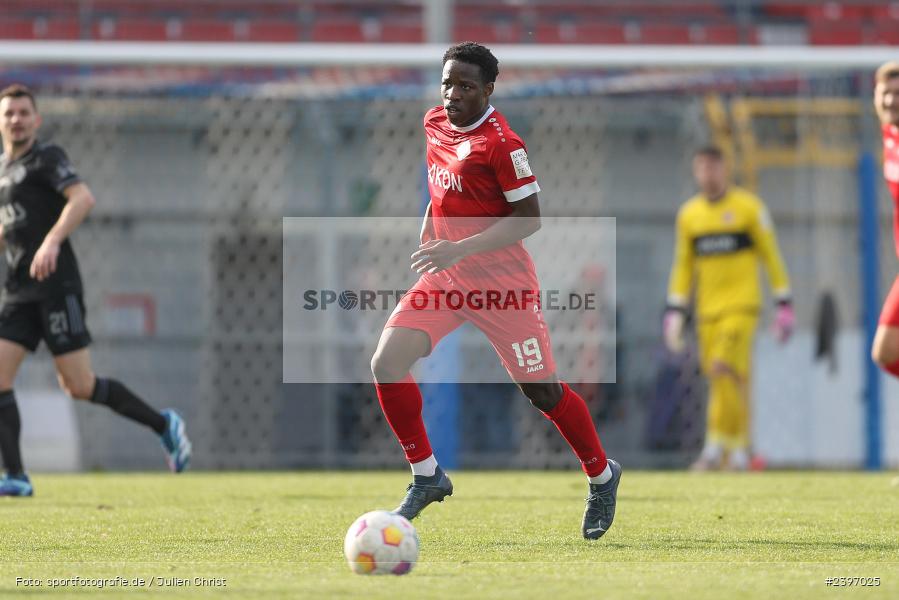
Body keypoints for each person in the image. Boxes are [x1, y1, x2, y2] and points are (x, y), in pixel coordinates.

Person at [370, 42, 620, 540]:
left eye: (465, 86)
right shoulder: (434, 123)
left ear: (488, 89)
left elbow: (530, 221)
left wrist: (458, 249)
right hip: (447, 277)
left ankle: (601, 475)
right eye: (448, 83)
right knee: (387, 362)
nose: (453, 93)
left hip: (502, 286)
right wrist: (430, 227)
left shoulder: (504, 145)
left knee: (542, 392)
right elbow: (441, 191)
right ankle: (426, 476)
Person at [0, 84, 191, 496]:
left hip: (55, 287)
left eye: (22, 112)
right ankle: (16, 475)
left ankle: (164, 424)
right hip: (18, 291)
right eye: (9, 113)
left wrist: (51, 242)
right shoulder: (2, 172)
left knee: (79, 386)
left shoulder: (46, 158)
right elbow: (10, 230)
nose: (15, 119)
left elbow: (82, 199)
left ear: (37, 119)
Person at [664, 146, 793, 471]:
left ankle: (720, 447)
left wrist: (784, 302)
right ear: (696, 172)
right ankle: (735, 450)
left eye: (714, 167)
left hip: (741, 306)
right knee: (725, 378)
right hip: (708, 311)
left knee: (722, 369)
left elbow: (771, 256)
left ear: (725, 169)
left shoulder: (749, 208)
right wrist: (676, 310)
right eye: (702, 168)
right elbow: (683, 266)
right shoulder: (689, 215)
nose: (708, 174)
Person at [871, 61, 899, 377]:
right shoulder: (889, 131)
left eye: (898, 94)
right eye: (885, 93)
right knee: (885, 351)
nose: (890, 100)